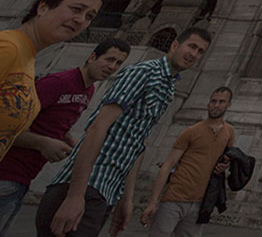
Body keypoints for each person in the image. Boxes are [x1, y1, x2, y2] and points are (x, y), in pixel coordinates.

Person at [36, 27, 213, 237]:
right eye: (191, 46)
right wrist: (75, 195)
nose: (194, 54)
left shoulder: (168, 88)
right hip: (86, 185)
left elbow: (136, 142)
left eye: (200, 51)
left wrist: (125, 198)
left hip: (106, 191)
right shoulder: (144, 72)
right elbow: (98, 127)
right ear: (175, 45)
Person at [0, 38, 129, 236]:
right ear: (92, 56)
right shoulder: (57, 83)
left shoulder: (88, 90)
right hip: (7, 171)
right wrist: (43, 143)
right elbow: (6, 125)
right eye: (109, 59)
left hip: (25, 177)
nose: (112, 67)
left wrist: (70, 140)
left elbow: (52, 121)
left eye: (119, 63)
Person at [0, 0, 108, 162]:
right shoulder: (9, 47)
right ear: (43, 7)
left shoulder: (26, 59)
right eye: (76, 9)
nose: (80, 20)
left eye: (89, 16)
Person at [140, 87, 235, 236]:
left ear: (228, 105)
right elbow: (168, 165)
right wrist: (153, 202)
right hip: (175, 197)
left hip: (201, 202)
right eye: (213, 101)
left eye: (221, 102)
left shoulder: (229, 132)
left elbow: (225, 157)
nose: (216, 105)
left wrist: (224, 166)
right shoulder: (191, 131)